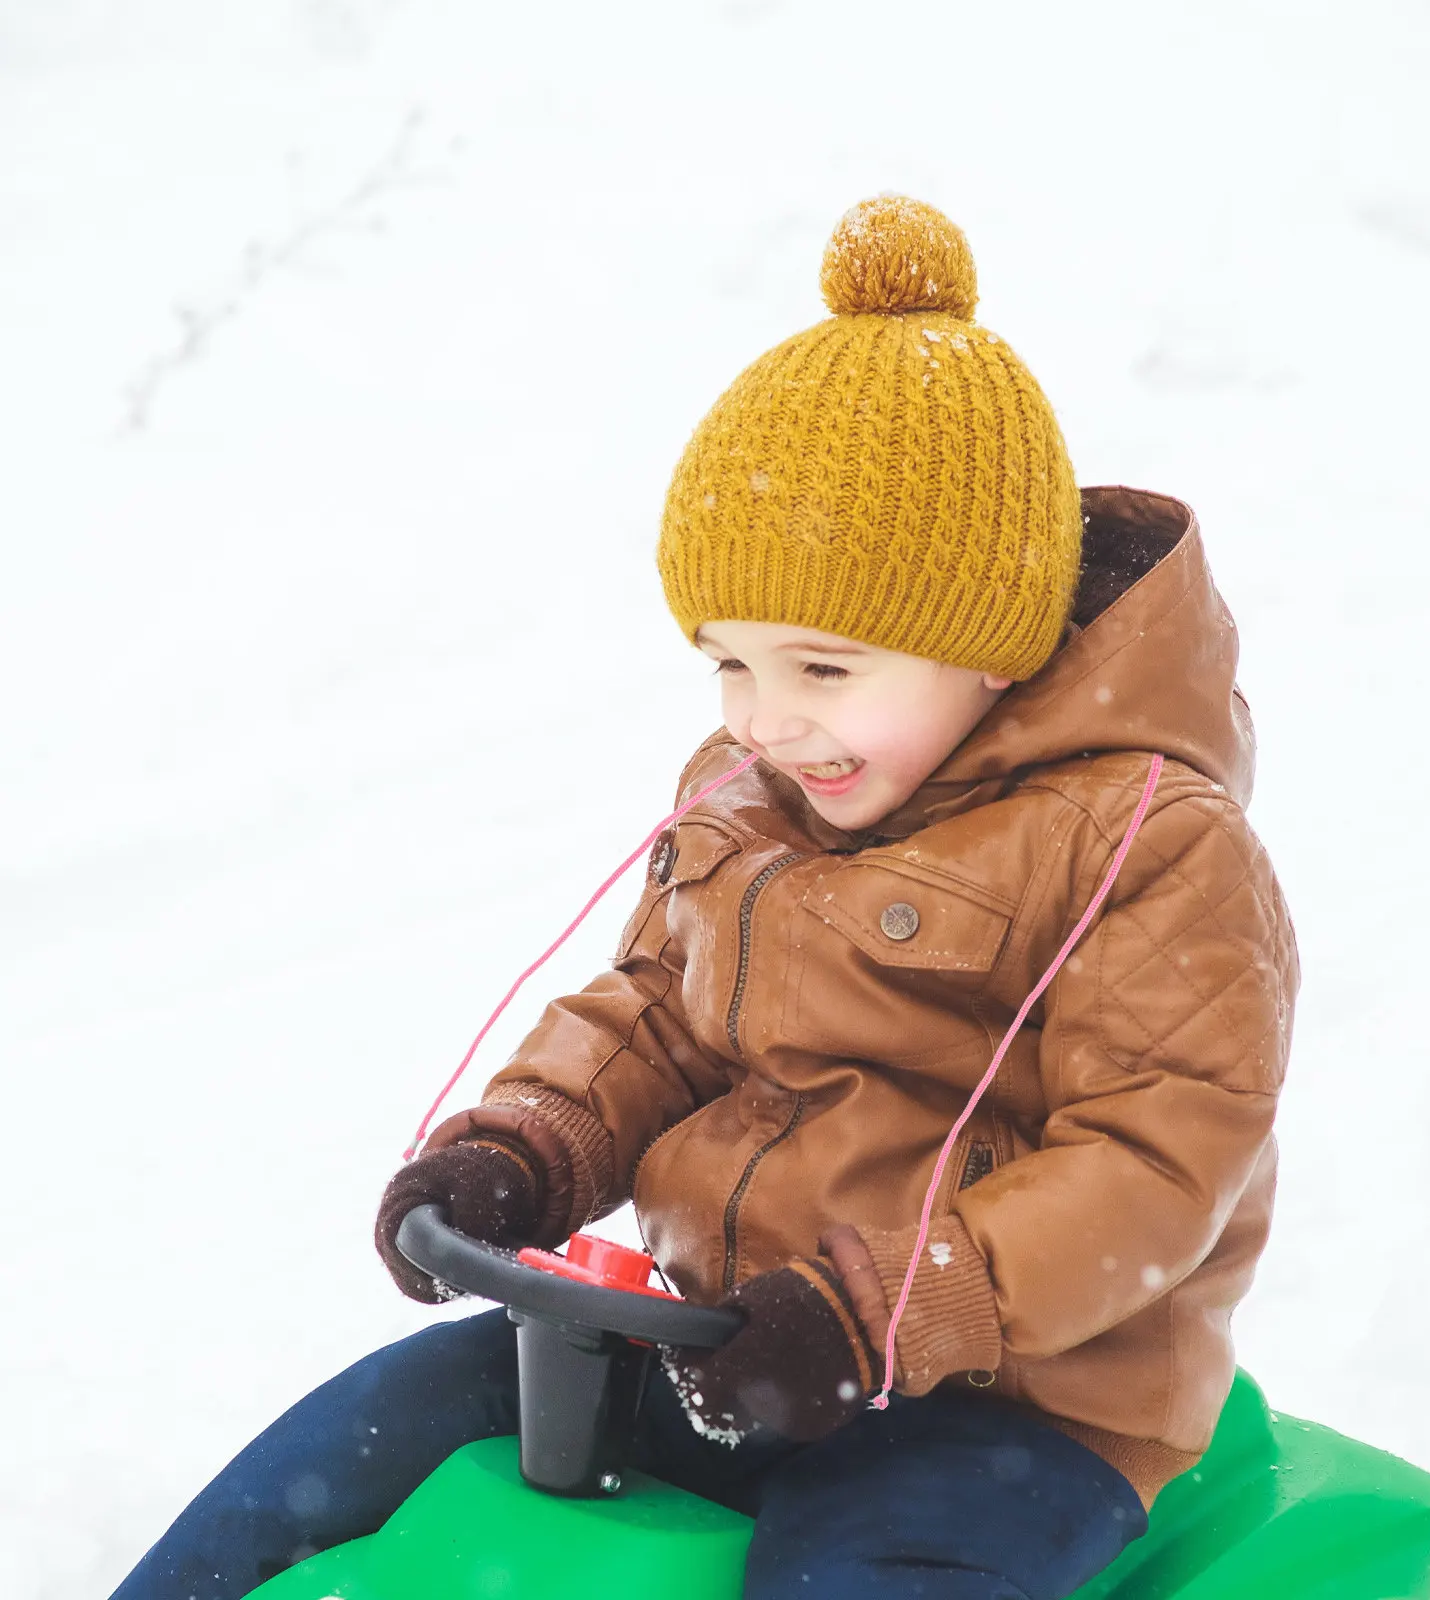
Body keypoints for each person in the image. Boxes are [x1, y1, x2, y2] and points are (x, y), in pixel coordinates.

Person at [113, 195, 1299, 1600]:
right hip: (727, 1342)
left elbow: (1156, 1169)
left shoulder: (1149, 847)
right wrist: (532, 1143)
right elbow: (665, 1019)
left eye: (823, 668)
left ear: (988, 642)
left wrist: (879, 1314)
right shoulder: (754, 794)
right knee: (389, 1429)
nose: (766, 720)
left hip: (1013, 1407)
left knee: (864, 1577)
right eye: (727, 664)